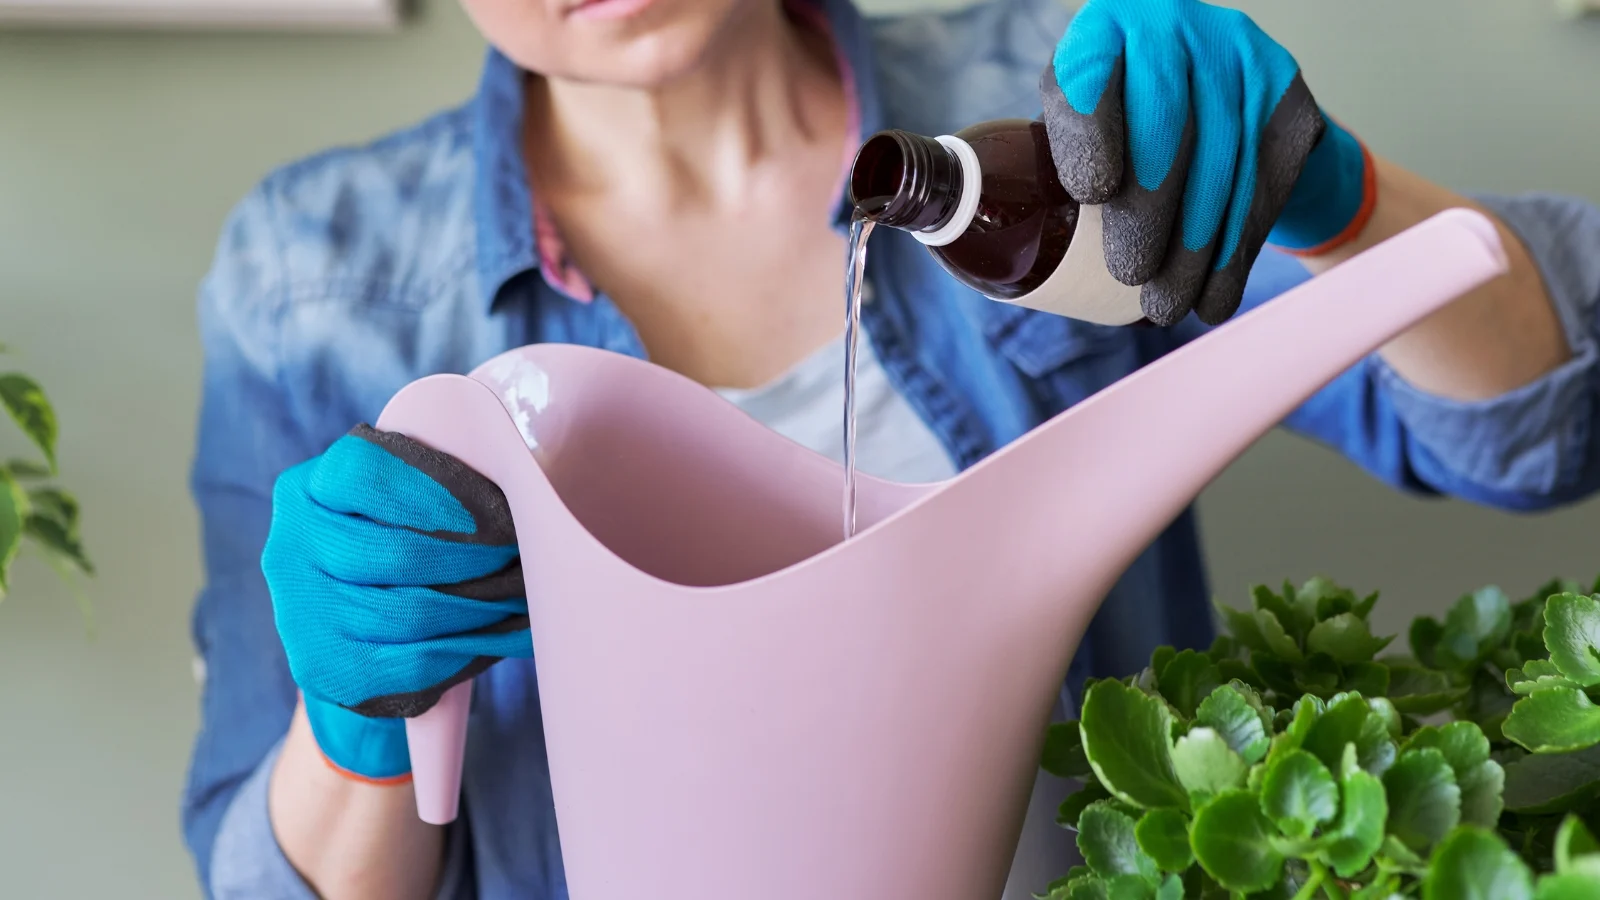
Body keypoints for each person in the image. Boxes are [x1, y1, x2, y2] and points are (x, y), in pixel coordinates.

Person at [179, 0, 1600, 895]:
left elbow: (1531, 439)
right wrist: (356, 725)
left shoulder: (1052, 107)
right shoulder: (318, 281)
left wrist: (1335, 197)